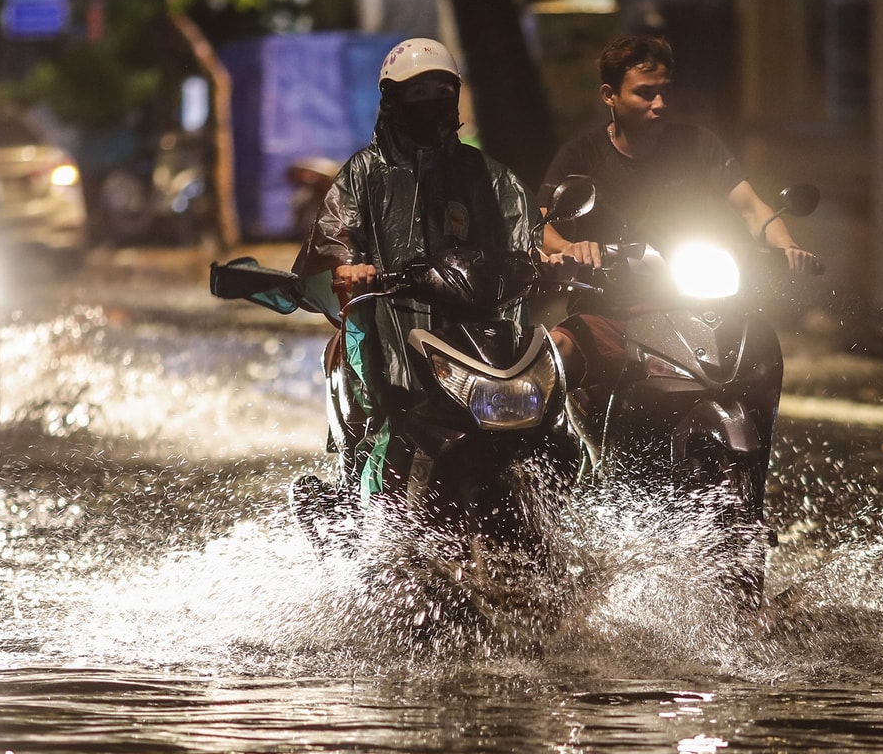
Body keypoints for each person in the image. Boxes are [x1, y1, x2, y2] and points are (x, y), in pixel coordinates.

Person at [293, 37, 552, 495]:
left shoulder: (487, 173)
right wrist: (350, 265)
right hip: (392, 326)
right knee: (377, 401)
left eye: (441, 92)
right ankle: (364, 507)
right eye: (416, 93)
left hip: (474, 329)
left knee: (549, 412)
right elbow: (336, 231)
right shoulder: (365, 172)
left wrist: (553, 256)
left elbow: (525, 228)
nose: (431, 104)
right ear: (392, 101)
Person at [539, 33, 815, 395]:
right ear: (610, 95)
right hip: (609, 306)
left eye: (665, 91)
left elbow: (751, 208)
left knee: (757, 352)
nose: (660, 103)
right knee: (556, 355)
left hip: (696, 307)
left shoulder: (698, 144)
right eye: (645, 93)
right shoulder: (582, 155)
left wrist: (787, 245)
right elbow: (542, 222)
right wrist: (571, 249)